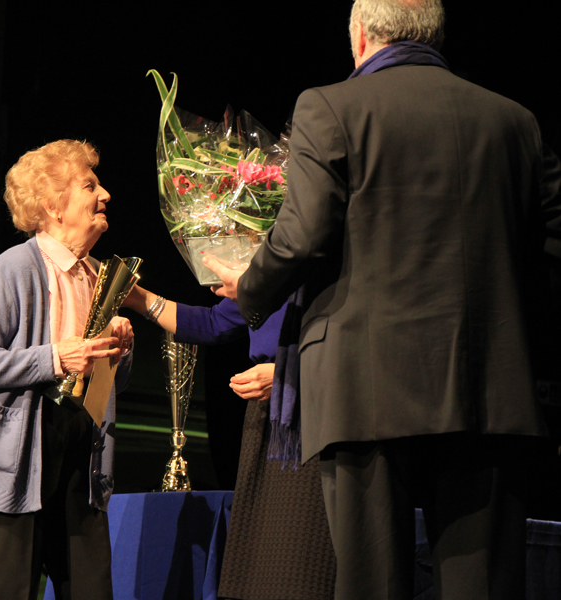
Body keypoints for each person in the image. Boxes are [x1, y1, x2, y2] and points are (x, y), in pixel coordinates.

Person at [203, 0, 561, 598]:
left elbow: (301, 238)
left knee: (371, 582)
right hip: (490, 385)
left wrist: (251, 290)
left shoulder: (330, 106)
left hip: (363, 384)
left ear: (362, 38)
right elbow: (551, 247)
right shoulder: (514, 120)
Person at [0, 139, 134, 600]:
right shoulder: (14, 268)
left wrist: (119, 353)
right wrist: (54, 358)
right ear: (53, 207)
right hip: (17, 453)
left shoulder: (99, 276)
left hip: (81, 454)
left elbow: (110, 387)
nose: (105, 194)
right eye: (90, 186)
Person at [123, 288, 337, 599]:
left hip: (315, 410)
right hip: (266, 418)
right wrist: (136, 297)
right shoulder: (269, 281)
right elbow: (212, 323)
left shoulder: (320, 274)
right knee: (264, 560)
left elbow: (360, 344)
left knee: (304, 558)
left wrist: (287, 373)